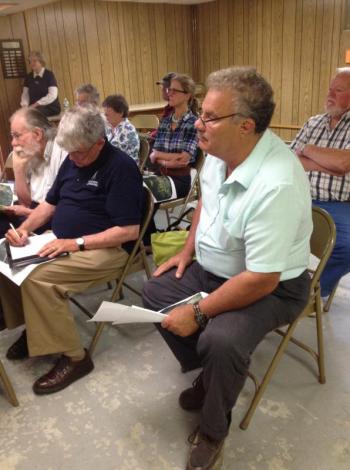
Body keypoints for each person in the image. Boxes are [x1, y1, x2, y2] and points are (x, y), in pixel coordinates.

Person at [143, 67, 312, 470]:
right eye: (201, 112)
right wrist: (187, 250)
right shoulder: (220, 155)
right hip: (217, 268)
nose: (199, 124)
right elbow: (207, 202)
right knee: (155, 291)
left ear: (246, 126)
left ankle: (213, 430)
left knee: (222, 340)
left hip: (272, 286)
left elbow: (262, 278)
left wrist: (198, 312)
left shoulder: (277, 182)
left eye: (209, 117)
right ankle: (211, 375)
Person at [1, 105, 144, 395]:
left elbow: (128, 232)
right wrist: (26, 229)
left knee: (40, 278)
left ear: (99, 143)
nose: (74, 159)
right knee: (4, 258)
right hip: (62, 239)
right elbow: (50, 205)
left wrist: (76, 243)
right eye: (71, 153)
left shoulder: (121, 168)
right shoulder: (73, 159)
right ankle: (36, 328)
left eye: (79, 153)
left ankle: (75, 358)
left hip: (106, 248)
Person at [290, 67, 350, 298]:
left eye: (339, 90)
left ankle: (310, 292)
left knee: (346, 247)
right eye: (330, 89)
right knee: (259, 227)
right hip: (298, 195)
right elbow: (293, 159)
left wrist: (309, 150)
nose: (330, 94)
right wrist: (329, 164)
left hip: (339, 204)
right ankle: (276, 281)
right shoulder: (313, 122)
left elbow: (344, 163)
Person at [0, 108, 66, 237]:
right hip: (34, 211)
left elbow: (62, 210)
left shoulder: (62, 151)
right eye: (12, 136)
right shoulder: (32, 151)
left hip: (52, 218)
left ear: (37, 134)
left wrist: (27, 212)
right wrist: (18, 170)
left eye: (17, 136)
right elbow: (26, 202)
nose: (13, 143)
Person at [148, 73, 198, 200]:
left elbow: (184, 158)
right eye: (169, 89)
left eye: (174, 90)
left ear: (187, 95)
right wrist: (167, 161)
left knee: (144, 195)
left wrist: (160, 157)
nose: (169, 93)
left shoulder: (193, 123)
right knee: (133, 190)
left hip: (179, 180)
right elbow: (154, 152)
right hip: (161, 174)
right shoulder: (165, 121)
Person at [20, 51, 61, 117]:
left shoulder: (49, 75)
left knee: (32, 115)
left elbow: (53, 95)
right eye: (30, 61)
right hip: (34, 108)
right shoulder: (28, 77)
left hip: (51, 107)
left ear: (41, 61)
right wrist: (24, 105)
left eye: (34, 61)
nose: (31, 63)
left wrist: (36, 104)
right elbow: (25, 94)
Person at [103, 94, 140, 163]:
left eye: (107, 115)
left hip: (125, 168)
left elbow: (110, 155)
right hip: (113, 165)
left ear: (120, 113)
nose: (105, 117)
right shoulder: (110, 127)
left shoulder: (127, 130)